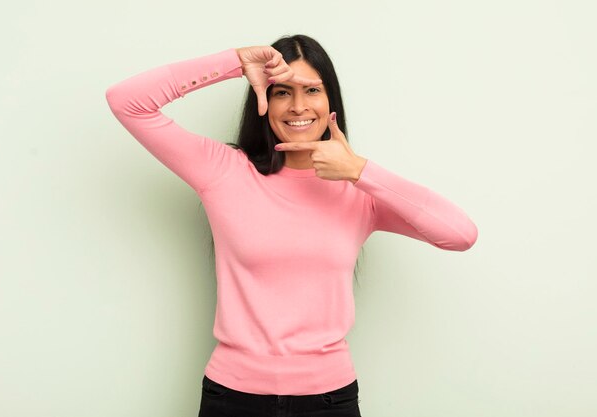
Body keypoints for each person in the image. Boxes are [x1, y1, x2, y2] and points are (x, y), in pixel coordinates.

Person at [105, 34, 478, 417]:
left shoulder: (361, 190)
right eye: (282, 92)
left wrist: (359, 171)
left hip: (329, 401)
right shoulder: (225, 171)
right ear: (263, 100)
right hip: (232, 398)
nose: (298, 106)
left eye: (312, 90)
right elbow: (127, 101)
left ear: (330, 101)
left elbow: (460, 234)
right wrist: (235, 62)